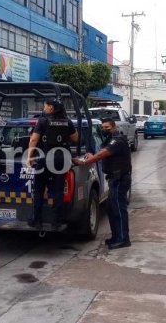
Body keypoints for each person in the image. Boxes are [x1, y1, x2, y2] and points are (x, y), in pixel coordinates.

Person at [73, 117, 132, 250]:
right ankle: (116, 237)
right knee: (112, 209)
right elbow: (99, 151)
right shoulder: (109, 140)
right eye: (103, 128)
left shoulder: (117, 140)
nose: (105, 130)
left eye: (107, 128)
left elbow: (101, 155)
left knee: (118, 210)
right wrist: (90, 153)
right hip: (114, 179)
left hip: (120, 179)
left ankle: (123, 239)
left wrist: (83, 162)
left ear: (114, 127)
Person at [26, 98, 79, 230]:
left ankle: (36, 220)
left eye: (45, 106)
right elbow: (75, 138)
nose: (44, 108)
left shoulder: (43, 121)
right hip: (62, 158)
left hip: (45, 157)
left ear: (51, 107)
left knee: (38, 190)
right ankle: (56, 222)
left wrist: (29, 157)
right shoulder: (67, 121)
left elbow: (34, 140)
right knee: (58, 191)